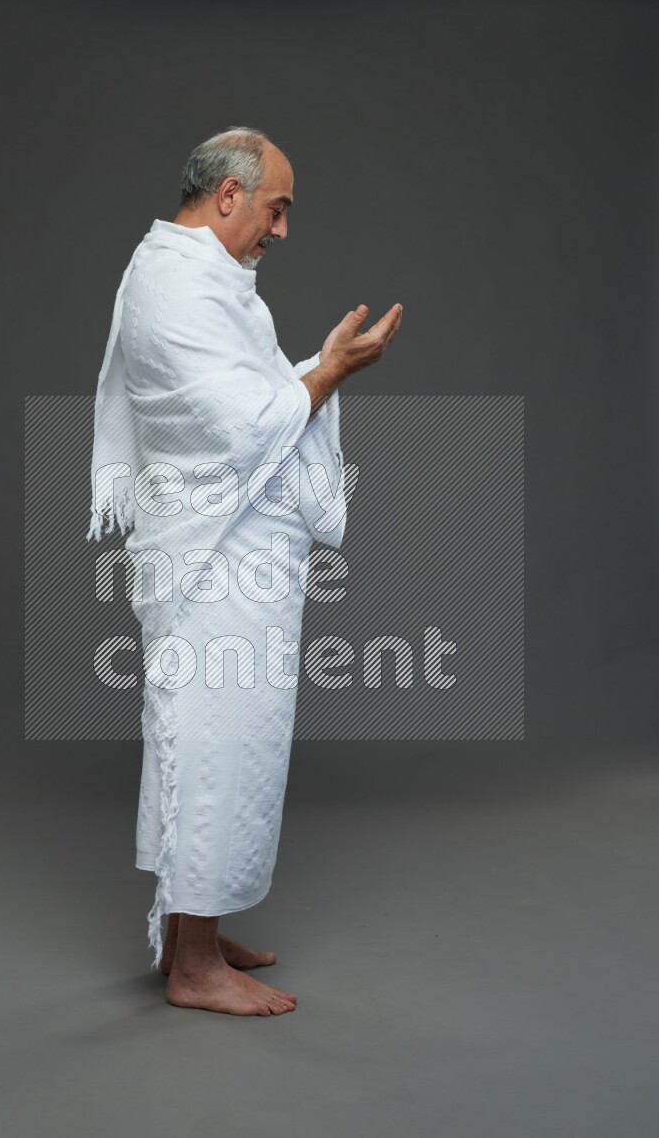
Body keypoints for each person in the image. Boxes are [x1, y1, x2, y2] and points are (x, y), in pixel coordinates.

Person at [86, 126, 401, 1016]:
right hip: (209, 565)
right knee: (213, 746)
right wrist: (329, 371)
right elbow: (234, 428)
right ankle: (190, 969)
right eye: (276, 208)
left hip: (234, 556)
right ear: (229, 195)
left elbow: (250, 405)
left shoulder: (202, 276)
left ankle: (196, 931)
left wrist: (316, 369)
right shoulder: (174, 283)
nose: (281, 230)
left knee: (231, 743)